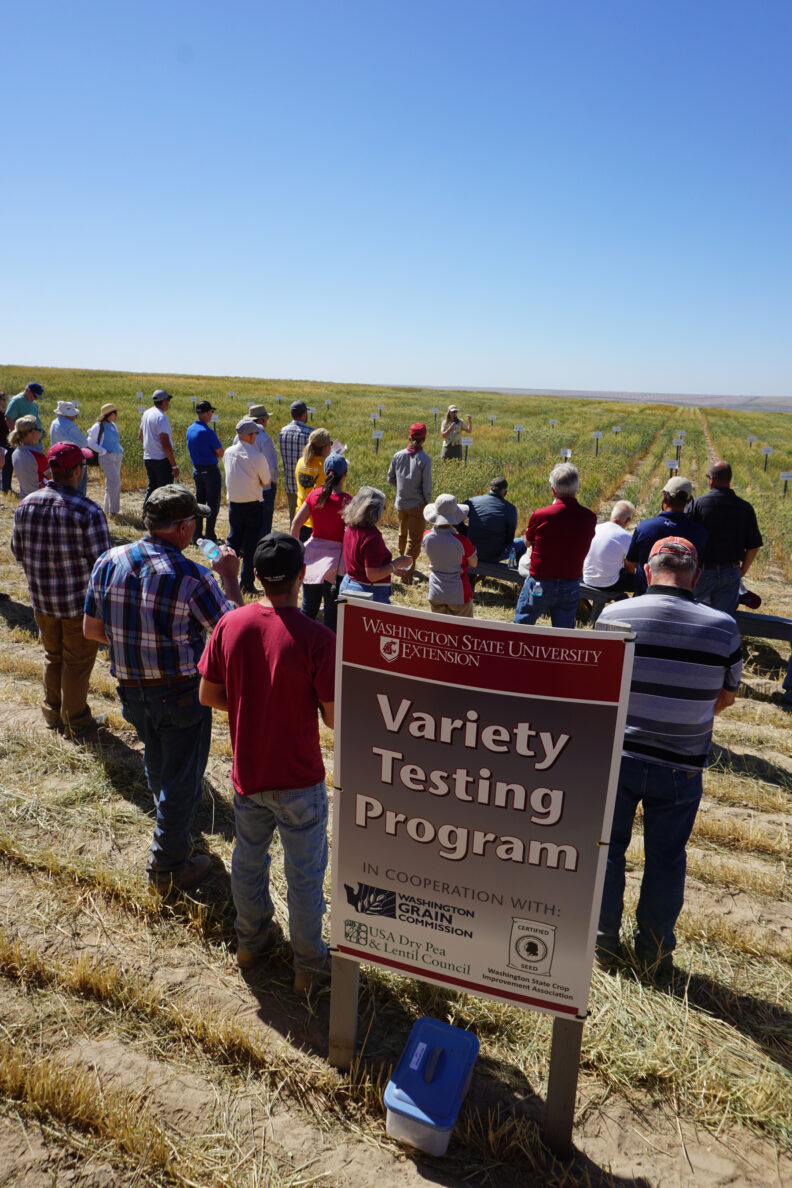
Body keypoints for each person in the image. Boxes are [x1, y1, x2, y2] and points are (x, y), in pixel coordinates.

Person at [595, 537, 742, 983]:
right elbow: (726, 697)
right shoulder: (724, 628)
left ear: (646, 571)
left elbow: (599, 688)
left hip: (617, 755)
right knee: (666, 859)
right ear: (696, 577)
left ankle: (601, 941)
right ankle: (654, 954)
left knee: (607, 852)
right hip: (681, 763)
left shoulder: (613, 616)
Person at [83, 485, 243, 891]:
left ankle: (167, 827)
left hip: (130, 687)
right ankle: (167, 866)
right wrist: (229, 576)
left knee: (157, 761)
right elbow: (239, 636)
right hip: (180, 691)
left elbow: (92, 630)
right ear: (185, 527)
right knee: (182, 779)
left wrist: (134, 643)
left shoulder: (109, 560)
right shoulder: (194, 577)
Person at [198, 532, 336, 994]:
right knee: (304, 878)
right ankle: (309, 968)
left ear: (255, 577)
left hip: (248, 774)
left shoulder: (230, 624)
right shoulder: (318, 638)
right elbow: (334, 718)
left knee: (249, 861)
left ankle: (250, 944)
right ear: (303, 575)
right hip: (299, 779)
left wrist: (248, 703)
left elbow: (208, 694)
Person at [11, 442, 110, 736]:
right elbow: (102, 565)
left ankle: (53, 713)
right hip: (79, 606)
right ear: (78, 471)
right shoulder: (88, 511)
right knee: (77, 664)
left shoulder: (26, 504)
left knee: (53, 657)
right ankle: (76, 721)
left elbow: (17, 551)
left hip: (41, 602)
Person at [514, 463, 596, 628]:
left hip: (540, 581)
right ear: (576, 488)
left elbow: (528, 542)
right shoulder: (589, 517)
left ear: (553, 489)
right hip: (571, 582)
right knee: (563, 633)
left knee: (522, 626)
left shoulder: (540, 515)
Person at [690, 460, 763, 615]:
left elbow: (687, 538)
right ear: (729, 480)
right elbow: (753, 546)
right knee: (722, 621)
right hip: (730, 572)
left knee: (695, 617)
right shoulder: (745, 507)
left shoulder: (697, 504)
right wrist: (741, 571)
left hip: (702, 572)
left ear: (711, 479)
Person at [290, 452, 351, 632]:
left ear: (325, 473)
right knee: (333, 615)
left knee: (308, 609)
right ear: (345, 474)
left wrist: (295, 553)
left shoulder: (315, 495)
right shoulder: (349, 501)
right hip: (336, 562)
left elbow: (296, 524)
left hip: (313, 557)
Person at [626, 478, 706, 595]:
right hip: (681, 599)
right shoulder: (700, 533)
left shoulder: (645, 528)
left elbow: (632, 561)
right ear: (688, 501)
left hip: (646, 594)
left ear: (664, 496)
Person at [224, 418, 272, 595]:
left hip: (234, 505)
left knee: (233, 542)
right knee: (251, 546)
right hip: (253, 505)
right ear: (251, 436)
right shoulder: (257, 456)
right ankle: (246, 584)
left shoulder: (229, 452)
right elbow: (266, 481)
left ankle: (226, 578)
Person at [338, 486, 411, 604]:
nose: (384, 510)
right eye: (383, 507)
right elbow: (372, 575)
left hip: (348, 584)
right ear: (373, 510)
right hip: (368, 592)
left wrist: (391, 568)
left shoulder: (351, 527)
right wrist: (395, 564)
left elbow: (363, 562)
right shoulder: (372, 537)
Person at [387, 423, 432, 584]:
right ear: (424, 439)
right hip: (417, 505)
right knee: (413, 541)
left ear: (409, 437)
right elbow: (427, 488)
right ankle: (406, 576)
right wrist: (428, 504)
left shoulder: (398, 455)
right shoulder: (424, 459)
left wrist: (402, 489)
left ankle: (399, 566)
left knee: (402, 535)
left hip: (401, 503)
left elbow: (390, 478)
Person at [422, 494, 478, 617]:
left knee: (440, 629)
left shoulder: (426, 536)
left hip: (435, 591)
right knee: (463, 629)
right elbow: (473, 563)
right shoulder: (462, 541)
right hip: (458, 593)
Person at [186, 401, 223, 542]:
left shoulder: (190, 429)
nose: (211, 415)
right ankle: (210, 535)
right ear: (207, 413)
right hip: (210, 470)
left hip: (197, 470)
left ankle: (196, 534)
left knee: (199, 503)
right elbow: (220, 452)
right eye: (211, 412)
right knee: (212, 504)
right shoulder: (208, 432)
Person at [582, 500, 636, 594]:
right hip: (609, 584)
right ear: (628, 520)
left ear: (612, 514)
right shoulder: (625, 536)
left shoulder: (594, 528)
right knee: (637, 579)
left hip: (587, 579)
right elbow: (631, 563)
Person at [465, 477, 520, 563]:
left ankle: (473, 573)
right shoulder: (510, 509)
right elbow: (509, 539)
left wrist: (465, 531)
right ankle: (514, 573)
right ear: (505, 492)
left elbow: (453, 514)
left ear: (490, 489)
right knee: (521, 543)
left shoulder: (472, 501)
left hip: (471, 551)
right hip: (494, 555)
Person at [245, 404, 279, 537]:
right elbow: (270, 465)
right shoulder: (264, 439)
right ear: (262, 420)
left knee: (249, 518)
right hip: (264, 486)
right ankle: (263, 546)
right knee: (264, 520)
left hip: (247, 484)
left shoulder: (239, 436)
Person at [140, 390, 179, 503]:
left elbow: (141, 435)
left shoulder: (146, 413)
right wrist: (174, 466)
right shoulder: (161, 418)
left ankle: (146, 515)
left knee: (152, 488)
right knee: (165, 492)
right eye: (168, 400)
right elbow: (166, 445)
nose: (168, 403)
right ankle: (162, 518)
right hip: (161, 460)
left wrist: (150, 448)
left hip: (148, 457)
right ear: (163, 402)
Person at [295, 428, 332, 539]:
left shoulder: (301, 461)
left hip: (301, 516)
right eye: (331, 443)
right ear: (326, 447)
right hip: (316, 522)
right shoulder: (324, 466)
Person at [87, 404, 124, 516]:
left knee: (111, 483)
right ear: (108, 414)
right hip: (106, 457)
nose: (116, 415)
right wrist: (103, 451)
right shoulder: (98, 426)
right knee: (115, 482)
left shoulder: (113, 425)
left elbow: (115, 441)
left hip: (117, 456)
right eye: (114, 413)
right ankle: (113, 511)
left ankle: (108, 508)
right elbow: (90, 441)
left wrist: (120, 450)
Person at [279, 400, 312, 522]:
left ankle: (292, 541)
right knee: (308, 521)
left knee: (294, 519)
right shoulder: (310, 433)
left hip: (290, 483)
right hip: (307, 485)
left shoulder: (283, 431)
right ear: (304, 414)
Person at [50, 401, 92, 495]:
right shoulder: (69, 425)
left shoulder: (54, 423)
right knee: (78, 490)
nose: (75, 417)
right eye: (74, 415)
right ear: (68, 415)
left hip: (58, 458)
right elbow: (84, 442)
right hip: (72, 459)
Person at [10, 416, 51, 498]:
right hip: (39, 498)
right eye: (39, 430)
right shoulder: (37, 456)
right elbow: (53, 477)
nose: (41, 433)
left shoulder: (15, 453)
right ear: (32, 432)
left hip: (24, 498)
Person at [0, 393, 14, 493]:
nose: (5, 401)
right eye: (3, 399)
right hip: (3, 443)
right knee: (7, 467)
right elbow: (6, 429)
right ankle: (6, 488)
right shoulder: (1, 415)